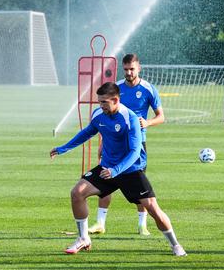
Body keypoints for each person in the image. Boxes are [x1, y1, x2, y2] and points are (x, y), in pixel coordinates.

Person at [51, 82, 186, 256]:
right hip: (107, 168)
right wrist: (64, 148)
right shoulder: (99, 115)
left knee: (152, 208)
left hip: (130, 170)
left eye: (104, 102)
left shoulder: (130, 118)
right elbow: (87, 132)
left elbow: (135, 151)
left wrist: (116, 170)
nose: (101, 106)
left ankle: (175, 245)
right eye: (99, 102)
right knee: (77, 193)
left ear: (115, 100)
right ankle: (83, 238)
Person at [88, 53, 164, 236]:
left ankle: (142, 225)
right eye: (126, 69)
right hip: (113, 142)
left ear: (139, 68)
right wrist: (102, 142)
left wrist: (147, 123)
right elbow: (105, 119)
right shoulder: (117, 89)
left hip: (136, 145)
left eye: (132, 69)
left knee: (139, 186)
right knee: (105, 179)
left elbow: (161, 117)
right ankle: (100, 223)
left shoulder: (148, 89)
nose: (129, 73)